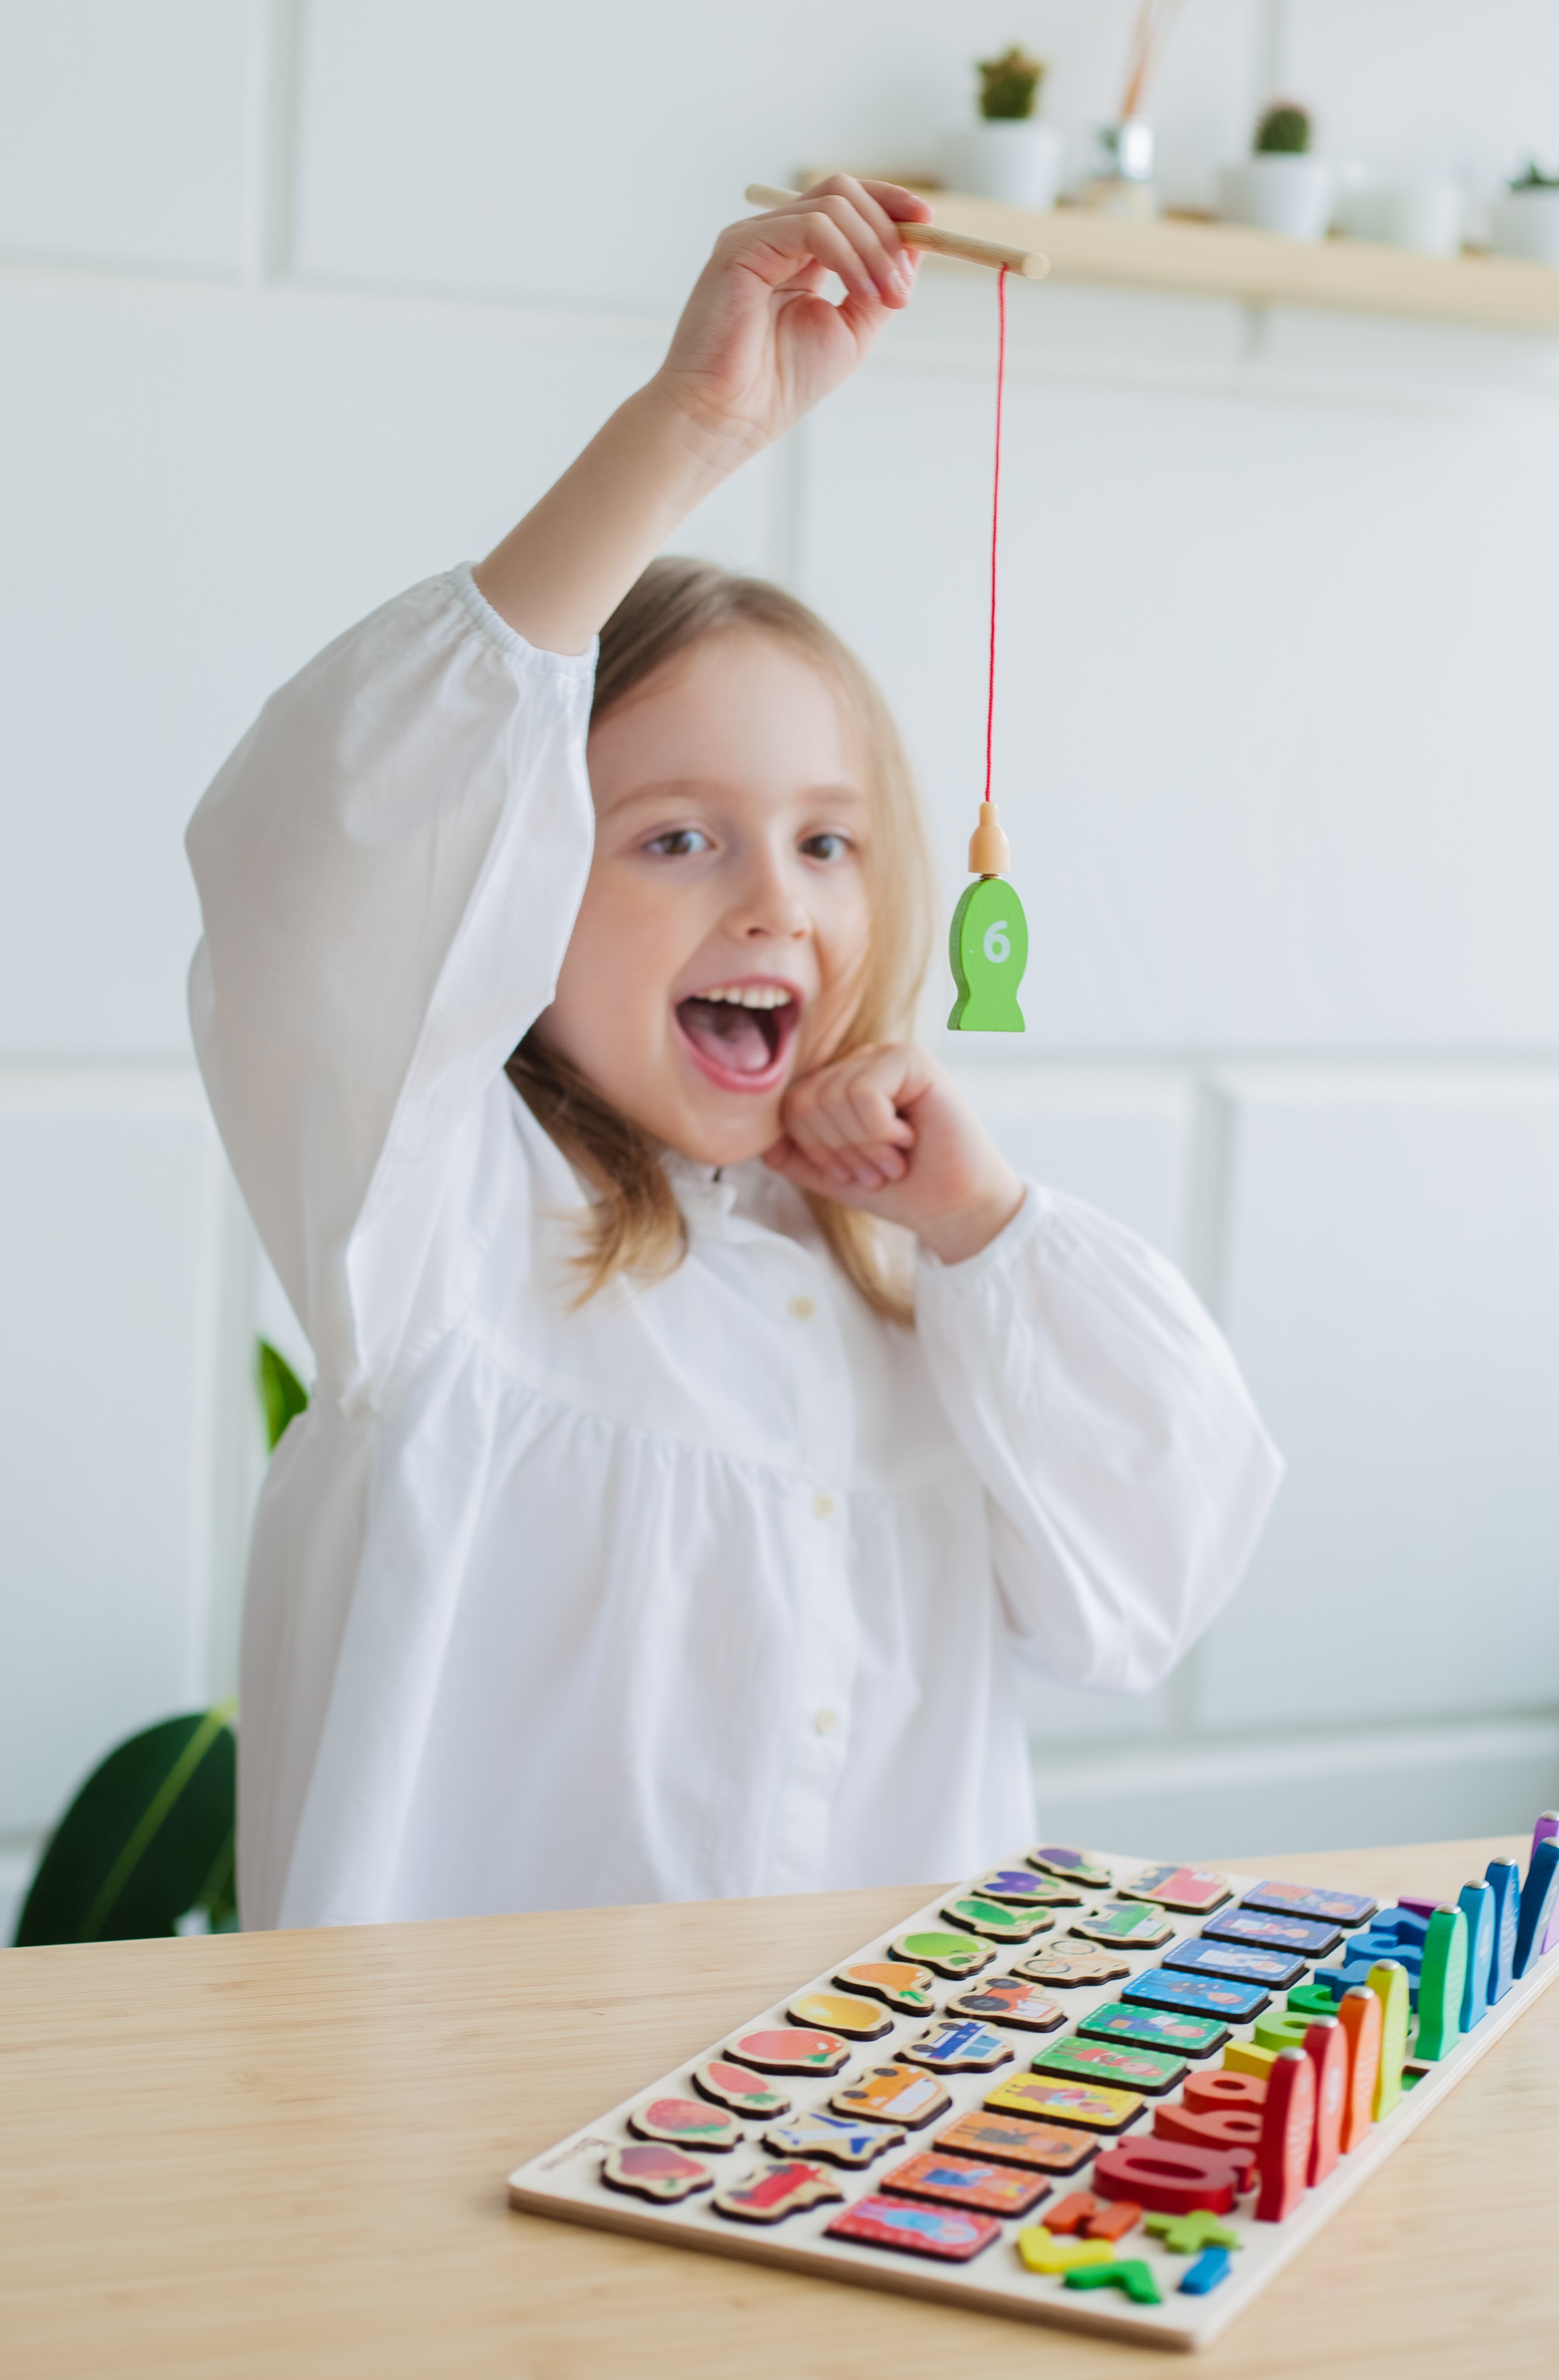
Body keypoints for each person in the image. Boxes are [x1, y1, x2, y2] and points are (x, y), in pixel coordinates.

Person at [187, 179, 1281, 1931]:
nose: (775, 897)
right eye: (679, 838)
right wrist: (689, 429)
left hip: (873, 2169)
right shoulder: (447, 1229)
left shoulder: (929, 1306)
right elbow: (329, 861)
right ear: (520, 880)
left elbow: (1151, 1579)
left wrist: (986, 1226)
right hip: (458, 2152)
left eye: (827, 843)